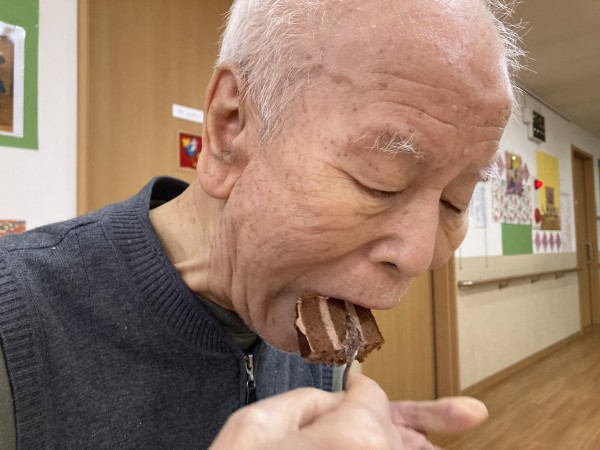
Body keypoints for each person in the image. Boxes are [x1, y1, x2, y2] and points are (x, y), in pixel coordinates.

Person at [0, 0, 520, 448]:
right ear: (231, 128)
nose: (420, 255)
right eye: (379, 182)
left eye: (455, 202)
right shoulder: (13, 317)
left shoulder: (320, 323)